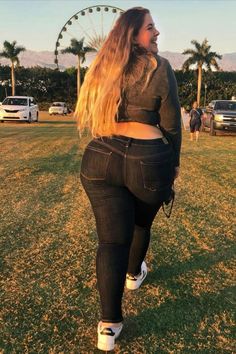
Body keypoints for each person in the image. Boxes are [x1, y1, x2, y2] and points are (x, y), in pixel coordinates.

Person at [75, 7, 182, 351]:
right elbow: (171, 126)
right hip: (149, 160)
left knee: (110, 242)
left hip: (100, 157)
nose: (157, 33)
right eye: (151, 28)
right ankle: (134, 274)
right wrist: (173, 165)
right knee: (139, 225)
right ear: (134, 34)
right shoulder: (159, 67)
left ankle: (109, 326)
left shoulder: (103, 68)